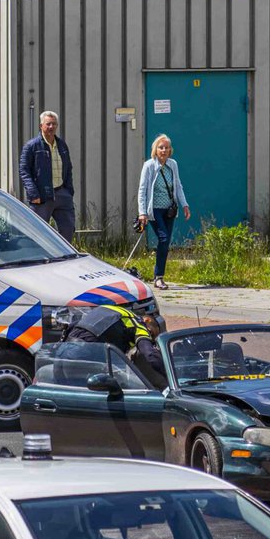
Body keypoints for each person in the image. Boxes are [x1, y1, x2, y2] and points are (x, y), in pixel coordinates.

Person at [64, 304, 168, 389]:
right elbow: (150, 356)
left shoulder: (113, 310)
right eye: (152, 333)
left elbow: (75, 325)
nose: (150, 337)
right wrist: (169, 375)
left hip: (66, 348)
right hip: (86, 352)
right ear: (147, 321)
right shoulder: (139, 324)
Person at [136, 134, 190, 291]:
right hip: (154, 211)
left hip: (169, 210)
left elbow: (178, 186)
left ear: (170, 150)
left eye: (166, 147)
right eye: (161, 147)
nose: (164, 150)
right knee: (164, 238)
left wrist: (184, 204)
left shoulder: (173, 164)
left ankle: (159, 276)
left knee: (165, 242)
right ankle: (158, 277)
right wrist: (142, 213)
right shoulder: (149, 166)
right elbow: (142, 189)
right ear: (155, 149)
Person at [19, 110, 76, 243]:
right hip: (41, 197)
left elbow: (68, 169)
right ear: (41, 126)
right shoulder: (31, 146)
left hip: (62, 194)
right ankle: (38, 260)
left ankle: (64, 260)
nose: (51, 127)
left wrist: (69, 191)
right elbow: (24, 170)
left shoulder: (62, 145)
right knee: (37, 233)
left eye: (54, 124)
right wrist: (33, 194)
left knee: (68, 229)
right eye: (48, 124)